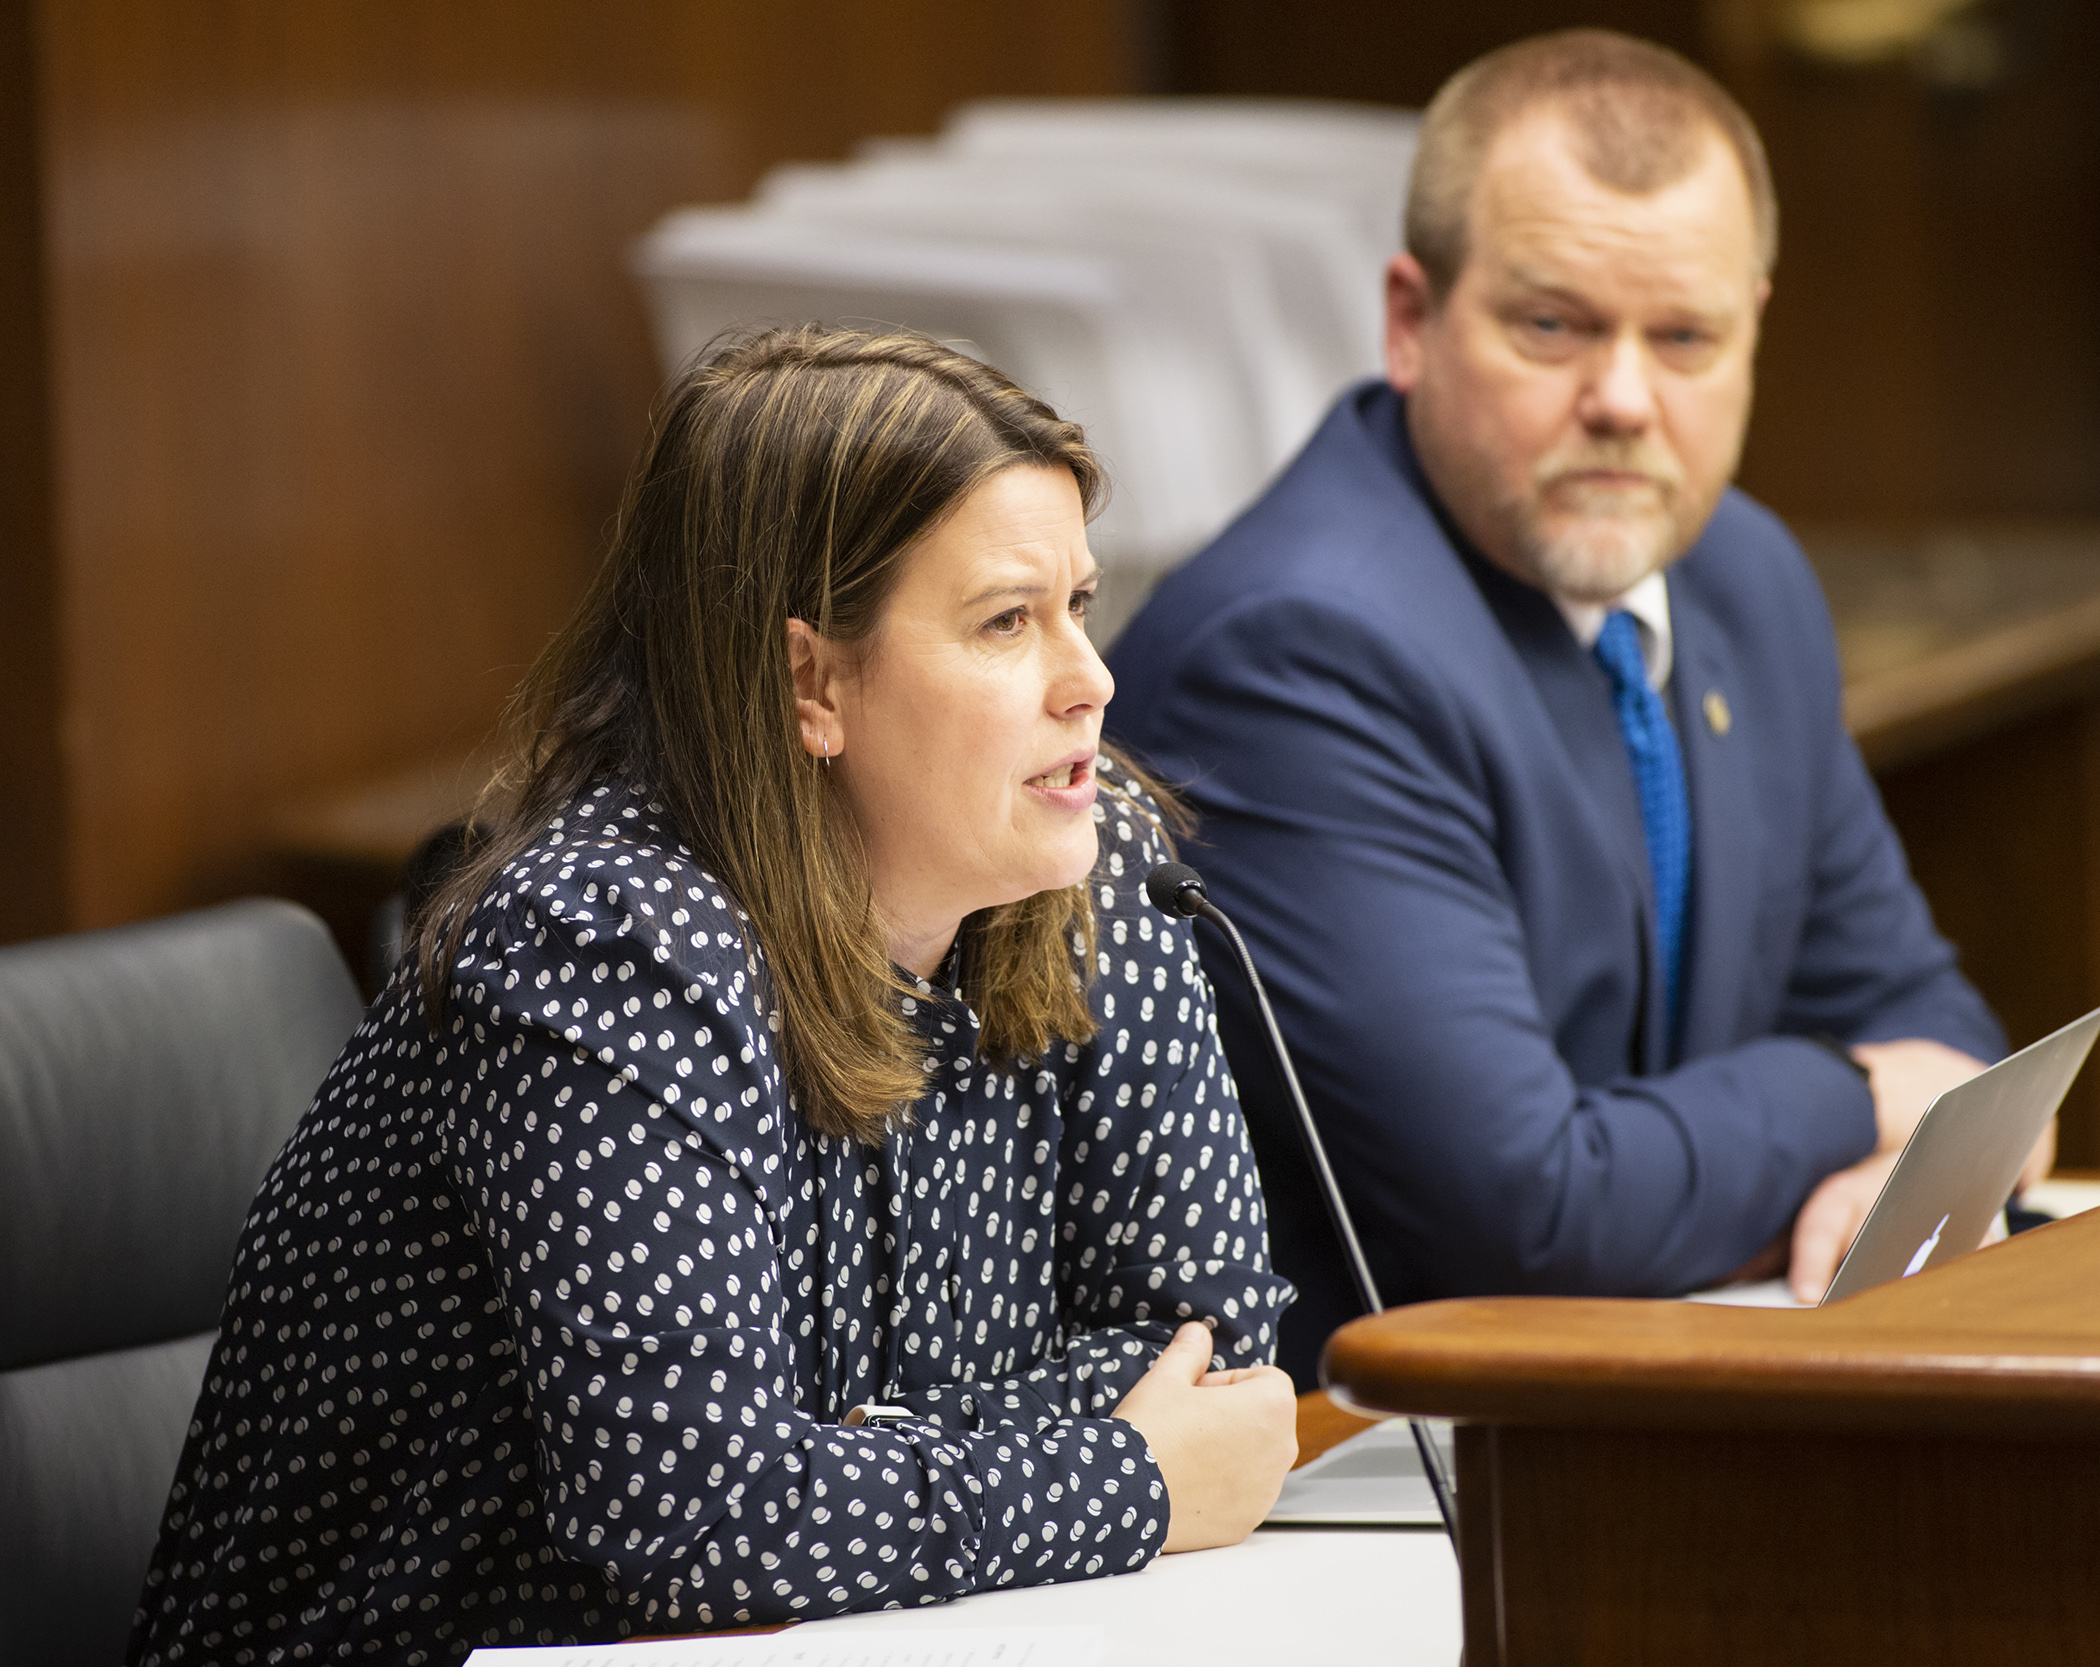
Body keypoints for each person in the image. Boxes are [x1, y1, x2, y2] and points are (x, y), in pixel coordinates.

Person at [131, 327, 1298, 1663]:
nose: (1088, 681)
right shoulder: (603, 945)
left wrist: (856, 1468)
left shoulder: (1097, 860)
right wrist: (1119, 1480)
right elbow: (692, 1519)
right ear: (812, 682)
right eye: (1004, 622)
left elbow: (1211, 1368)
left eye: (1078, 606)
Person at [1106, 30, 2044, 1386]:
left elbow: (1940, 1030)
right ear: (1412, 322)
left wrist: (1906, 1154)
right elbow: (1531, 1220)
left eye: (1683, 338)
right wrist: (1856, 1097)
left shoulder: (1743, 577)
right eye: (1552, 326)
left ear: (1754, 332)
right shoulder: (1301, 648)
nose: (1620, 399)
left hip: (1629, 1409)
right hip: (1351, 1482)